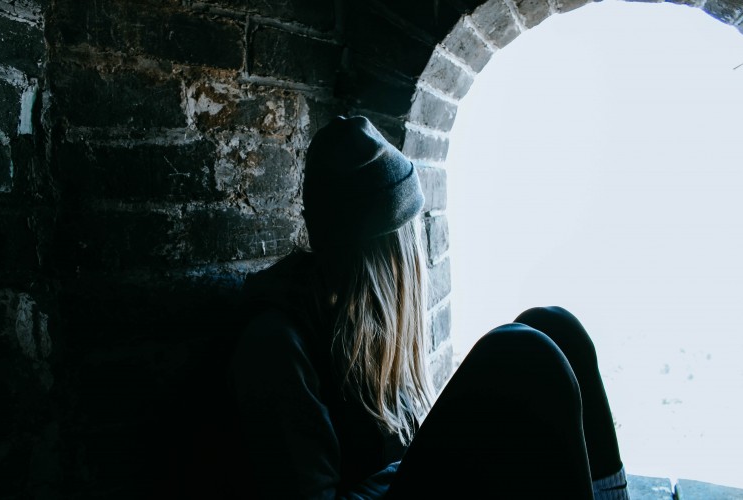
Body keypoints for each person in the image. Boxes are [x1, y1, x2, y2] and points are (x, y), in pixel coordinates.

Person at [230, 116, 630, 499]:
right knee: (520, 354)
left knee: (553, 326)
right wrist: (443, 457)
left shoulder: (354, 317)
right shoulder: (278, 345)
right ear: (388, 247)